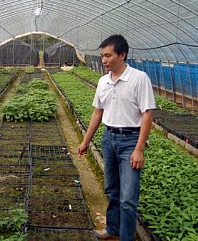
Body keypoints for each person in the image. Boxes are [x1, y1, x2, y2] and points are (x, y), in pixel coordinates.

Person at [77, 34, 155, 241]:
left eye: (108, 55)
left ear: (122, 55)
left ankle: (125, 237)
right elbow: (97, 113)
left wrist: (139, 149)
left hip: (130, 140)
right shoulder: (103, 81)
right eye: (102, 56)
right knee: (112, 190)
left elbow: (147, 115)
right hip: (108, 138)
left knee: (128, 198)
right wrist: (86, 141)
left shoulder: (139, 79)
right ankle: (112, 230)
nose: (103, 60)